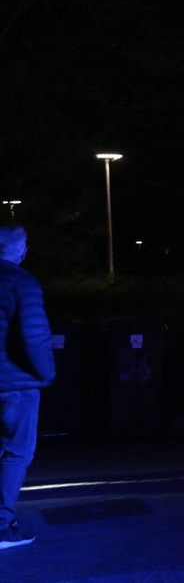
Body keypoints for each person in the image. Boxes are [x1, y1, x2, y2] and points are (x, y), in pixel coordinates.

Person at [0, 226, 54, 550]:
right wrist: (47, 373)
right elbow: (34, 336)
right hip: (16, 385)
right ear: (17, 249)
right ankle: (2, 527)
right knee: (16, 453)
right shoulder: (23, 282)